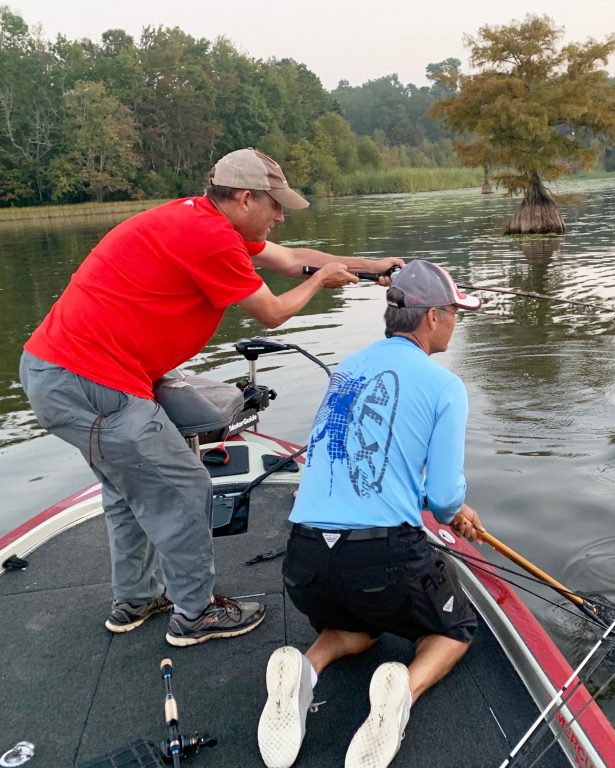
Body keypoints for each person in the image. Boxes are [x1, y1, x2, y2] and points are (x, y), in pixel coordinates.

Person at [19, 147, 404, 647]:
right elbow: (271, 312)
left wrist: (369, 267)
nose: (281, 215)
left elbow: (294, 261)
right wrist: (324, 284)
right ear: (245, 198)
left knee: (126, 488)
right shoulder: (210, 238)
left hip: (63, 372)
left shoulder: (201, 220)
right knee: (185, 488)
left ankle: (135, 601)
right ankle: (194, 615)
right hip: (89, 379)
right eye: (275, 205)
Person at [257, 260, 484, 768]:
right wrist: (454, 508)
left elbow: (368, 472)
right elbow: (445, 497)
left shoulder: (346, 371)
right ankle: (402, 691)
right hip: (381, 563)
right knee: (454, 630)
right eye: (454, 312)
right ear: (431, 318)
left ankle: (306, 669)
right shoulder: (445, 386)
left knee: (355, 630)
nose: (455, 321)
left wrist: (444, 503)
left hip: (307, 560)